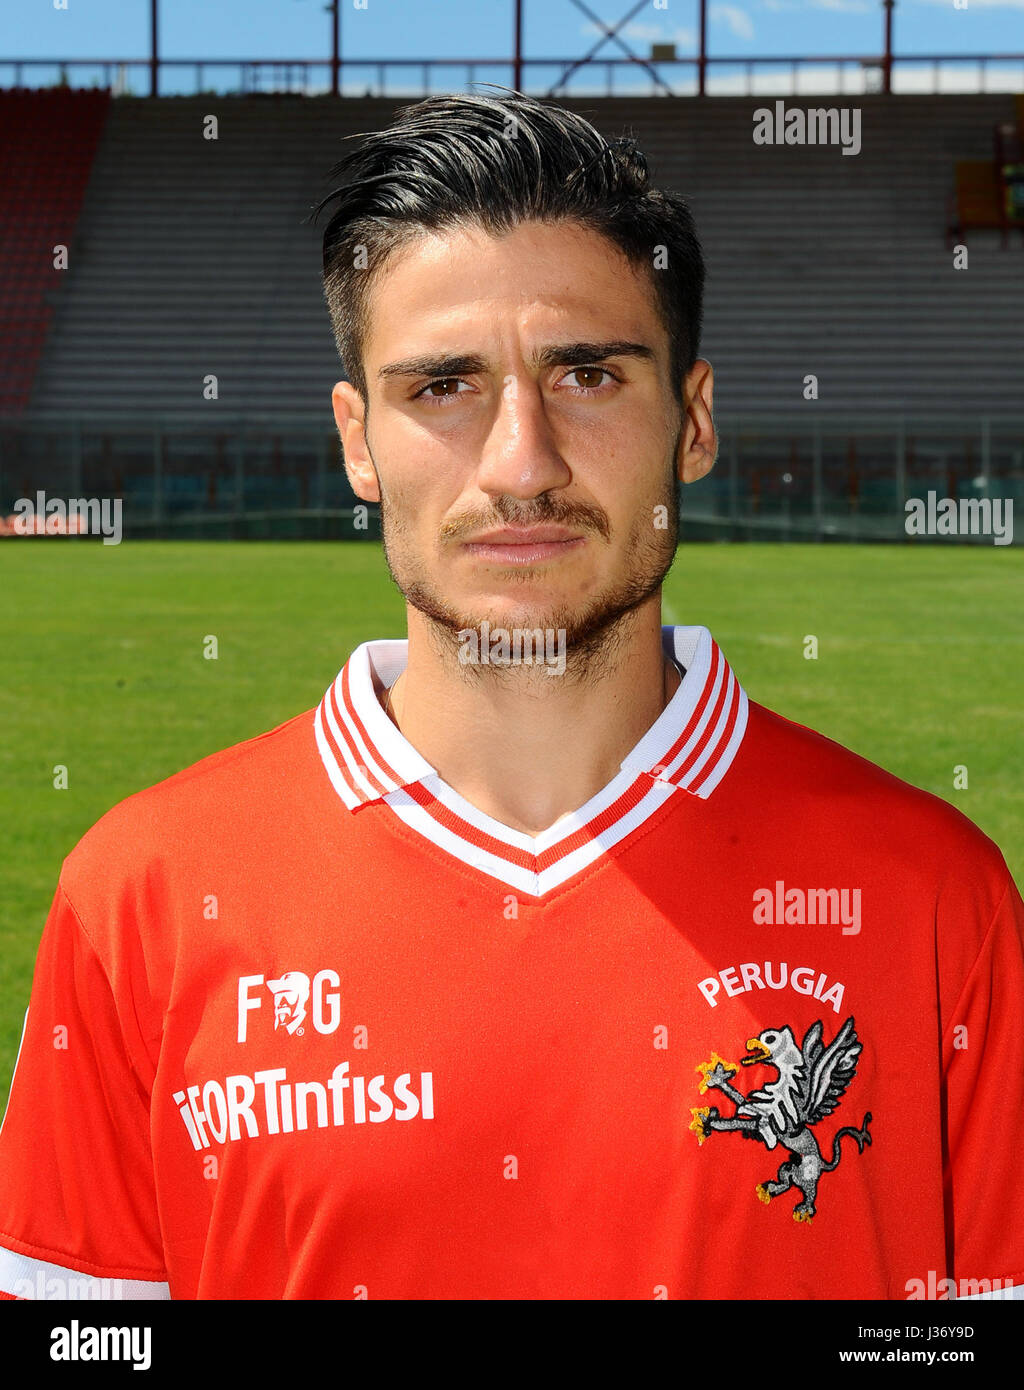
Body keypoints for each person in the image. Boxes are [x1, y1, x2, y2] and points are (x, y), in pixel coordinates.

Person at [0, 91, 1021, 1302]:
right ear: (357, 442)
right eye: (442, 386)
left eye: (586, 373)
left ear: (691, 423)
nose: (519, 461)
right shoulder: (143, 900)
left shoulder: (931, 898)